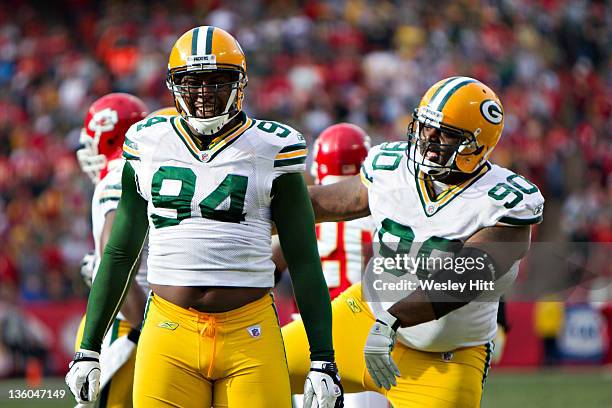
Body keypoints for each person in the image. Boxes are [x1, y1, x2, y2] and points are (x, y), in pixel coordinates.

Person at [66, 26, 343, 408]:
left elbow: (304, 261)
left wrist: (323, 359)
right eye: (192, 82)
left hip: (250, 331)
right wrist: (88, 348)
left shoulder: (272, 147)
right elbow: (119, 253)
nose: (203, 93)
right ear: (174, 85)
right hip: (168, 329)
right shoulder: (147, 142)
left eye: (216, 81)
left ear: (240, 83)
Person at [288, 76, 545, 407]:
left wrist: (393, 320)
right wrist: (253, 205)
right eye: (426, 126)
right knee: (265, 365)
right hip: (365, 317)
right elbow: (323, 203)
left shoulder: (502, 200)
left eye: (445, 133)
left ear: (476, 146)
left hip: (445, 359)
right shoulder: (392, 169)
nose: (429, 138)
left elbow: (463, 277)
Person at [275, 123, 390, 408]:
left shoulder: (306, 209)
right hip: (362, 336)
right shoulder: (381, 213)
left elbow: (270, 267)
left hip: (310, 339)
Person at [74, 93, 150, 407]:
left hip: (123, 322)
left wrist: (147, 329)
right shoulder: (137, 170)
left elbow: (115, 259)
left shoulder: (120, 174)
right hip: (131, 314)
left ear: (110, 136)